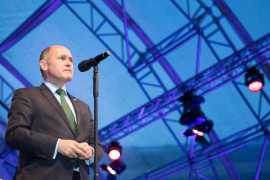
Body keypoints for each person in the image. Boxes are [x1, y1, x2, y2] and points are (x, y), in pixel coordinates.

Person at [5, 45, 103, 180]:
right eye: (62, 58)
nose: (69, 63)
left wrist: (91, 152)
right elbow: (14, 134)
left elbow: (97, 145)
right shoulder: (26, 95)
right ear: (44, 64)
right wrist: (57, 145)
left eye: (71, 60)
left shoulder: (83, 106)